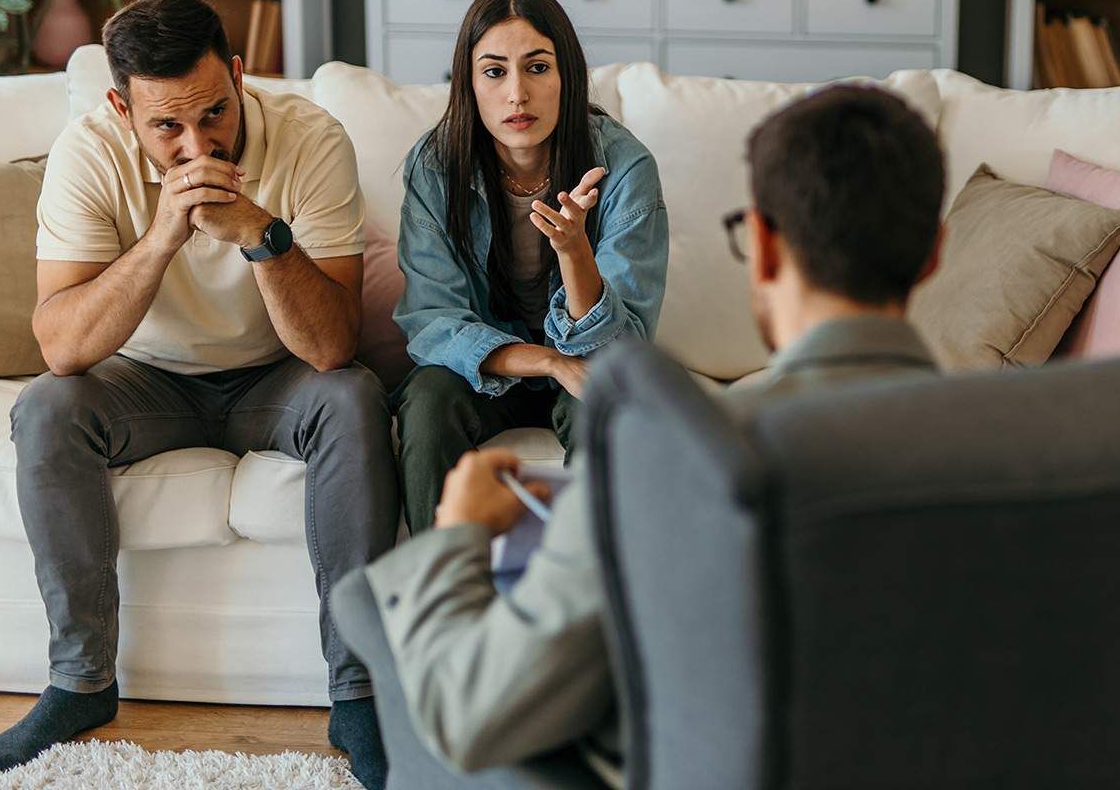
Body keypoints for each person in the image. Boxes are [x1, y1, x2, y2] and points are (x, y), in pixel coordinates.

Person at [332, 83, 949, 786]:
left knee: (370, 610)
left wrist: (458, 538)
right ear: (935, 253)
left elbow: (470, 716)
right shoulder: (1061, 436)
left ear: (766, 249)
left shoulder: (673, 464)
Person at [0, 0, 395, 789]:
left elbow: (332, 346)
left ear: (238, 77)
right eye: (167, 125)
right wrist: (165, 235)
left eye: (215, 113)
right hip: (146, 380)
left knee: (355, 397)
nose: (198, 144)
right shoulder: (87, 152)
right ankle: (79, 683)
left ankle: (358, 693)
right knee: (46, 406)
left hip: (278, 376)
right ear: (121, 108)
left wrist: (264, 239)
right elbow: (61, 345)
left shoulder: (311, 140)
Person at [390, 0, 669, 534]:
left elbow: (625, 342)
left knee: (605, 404)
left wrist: (575, 253)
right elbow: (431, 320)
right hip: (487, 367)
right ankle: (443, 597)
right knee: (427, 400)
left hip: (590, 364)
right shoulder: (434, 164)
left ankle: (586, 599)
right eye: (494, 71)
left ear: (567, 76)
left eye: (537, 68)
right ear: (469, 84)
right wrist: (543, 360)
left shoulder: (625, 167)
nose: (517, 93)